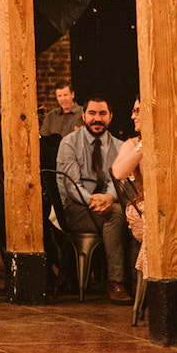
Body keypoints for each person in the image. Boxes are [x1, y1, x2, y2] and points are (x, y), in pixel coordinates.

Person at [56, 96, 130, 304]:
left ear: (111, 117)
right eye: (92, 114)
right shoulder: (69, 143)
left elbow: (117, 180)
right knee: (116, 213)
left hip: (106, 203)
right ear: (83, 115)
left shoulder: (119, 146)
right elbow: (71, 186)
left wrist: (108, 197)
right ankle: (116, 281)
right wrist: (96, 201)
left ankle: (134, 280)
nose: (97, 119)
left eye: (102, 114)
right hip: (75, 207)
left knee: (129, 213)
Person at [111, 97, 145, 278]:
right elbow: (118, 173)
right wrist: (143, 145)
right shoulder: (133, 144)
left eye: (138, 111)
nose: (133, 116)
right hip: (143, 209)